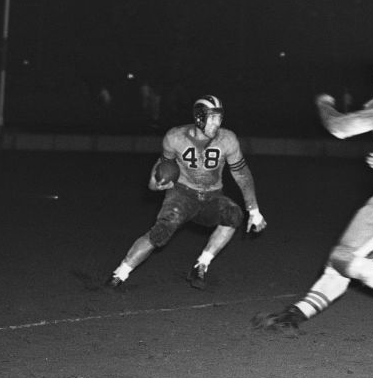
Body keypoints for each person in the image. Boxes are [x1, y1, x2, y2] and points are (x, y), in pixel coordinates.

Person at [253, 58, 373, 336]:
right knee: (342, 262)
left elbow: (339, 127)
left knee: (345, 256)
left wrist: (323, 103)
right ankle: (293, 317)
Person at [105, 95, 267, 290]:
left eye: (219, 117)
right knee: (160, 233)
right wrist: (156, 184)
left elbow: (241, 173)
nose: (218, 122)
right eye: (212, 117)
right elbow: (160, 169)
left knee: (233, 215)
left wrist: (254, 210)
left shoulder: (227, 139)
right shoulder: (175, 137)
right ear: (199, 117)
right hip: (182, 194)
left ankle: (201, 265)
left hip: (212, 196)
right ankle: (119, 274)